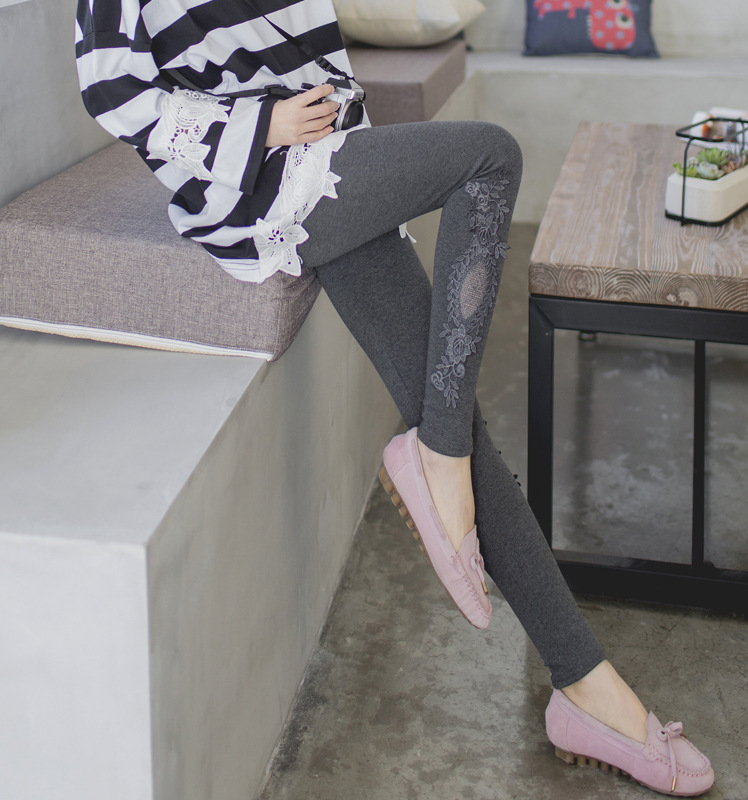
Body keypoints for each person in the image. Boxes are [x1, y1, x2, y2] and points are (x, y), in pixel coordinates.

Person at [75, 0, 714, 794]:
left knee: (453, 416)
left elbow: (293, 36)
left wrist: (329, 123)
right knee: (490, 158)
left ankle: (587, 686)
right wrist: (262, 127)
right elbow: (111, 89)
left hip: (333, 156)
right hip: (262, 184)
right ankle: (435, 458)